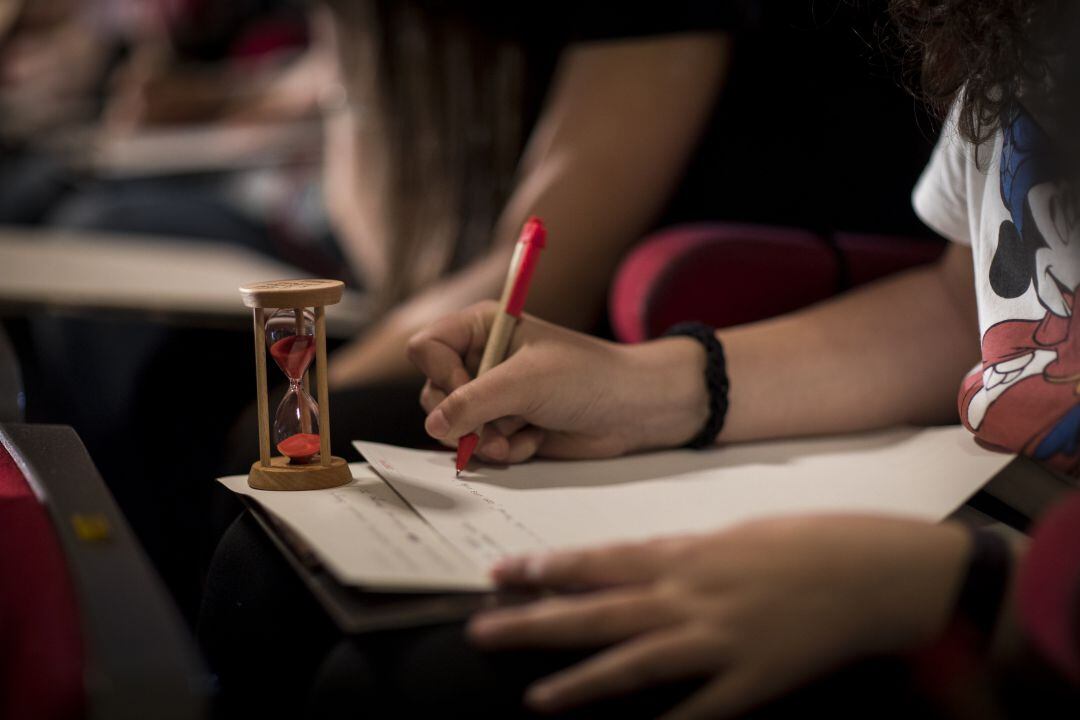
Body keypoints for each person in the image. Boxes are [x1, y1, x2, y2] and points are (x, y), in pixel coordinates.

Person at [392, 0, 1080, 715]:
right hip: (980, 523)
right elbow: (963, 310)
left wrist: (951, 586)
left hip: (1017, 596)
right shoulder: (1020, 25)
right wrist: (641, 386)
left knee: (427, 679)